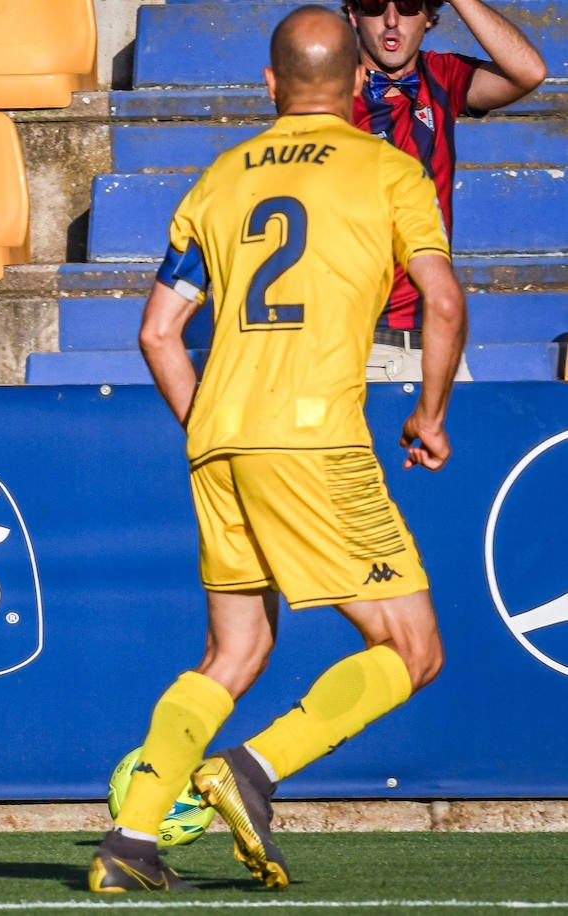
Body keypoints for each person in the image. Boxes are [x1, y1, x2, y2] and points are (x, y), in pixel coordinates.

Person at [89, 5, 467, 893]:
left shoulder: (218, 179)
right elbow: (442, 302)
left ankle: (130, 842)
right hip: (315, 440)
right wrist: (432, 414)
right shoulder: (388, 168)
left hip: (218, 435)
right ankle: (250, 772)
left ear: (269, 84)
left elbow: (157, 334)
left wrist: (215, 429)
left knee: (234, 651)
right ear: (357, 83)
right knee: (412, 650)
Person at [347, 0, 545, 381]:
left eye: (407, 6)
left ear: (430, 17)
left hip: (439, 347)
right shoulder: (327, 92)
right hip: (362, 342)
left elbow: (530, 71)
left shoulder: (440, 74)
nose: (391, 21)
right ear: (353, 15)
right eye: (374, 5)